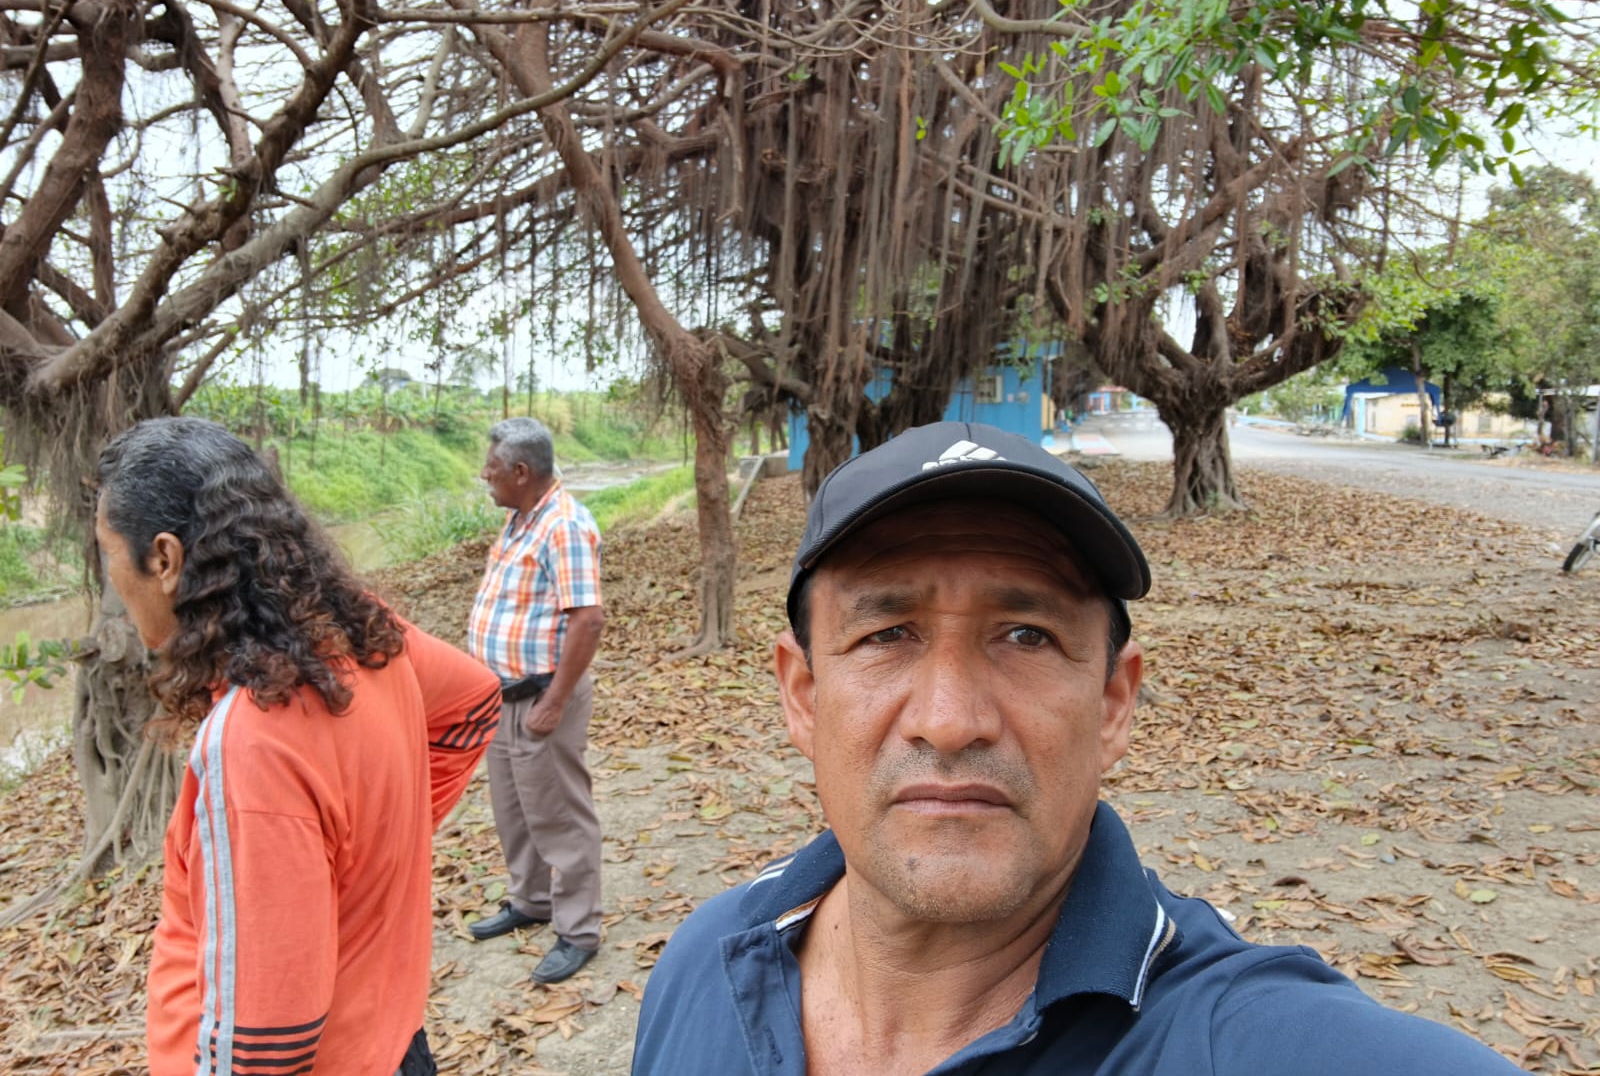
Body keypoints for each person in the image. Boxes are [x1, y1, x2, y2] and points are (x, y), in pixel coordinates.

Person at [632, 421, 1522, 1075]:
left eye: (1026, 636)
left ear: (1111, 703)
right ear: (803, 695)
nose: (950, 719)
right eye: (887, 634)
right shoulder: (707, 963)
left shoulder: (1231, 1039)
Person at [97, 417, 501, 1076]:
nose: (111, 577)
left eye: (107, 551)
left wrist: (366, 848)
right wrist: (374, 849)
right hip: (395, 1042)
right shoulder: (357, 635)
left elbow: (265, 1046)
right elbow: (473, 700)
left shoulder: (250, 743)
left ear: (164, 559)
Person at [466, 417, 606, 984]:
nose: (485, 475)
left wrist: (554, 700)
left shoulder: (563, 525)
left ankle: (579, 930)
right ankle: (531, 900)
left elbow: (588, 619)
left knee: (559, 815)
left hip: (542, 697)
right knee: (515, 809)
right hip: (501, 698)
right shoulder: (521, 519)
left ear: (521, 472)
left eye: (492, 467)